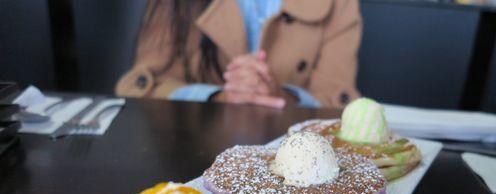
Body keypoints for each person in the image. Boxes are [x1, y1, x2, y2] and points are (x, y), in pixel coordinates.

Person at [116, 0, 362, 109]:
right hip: (192, 149)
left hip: (294, 154)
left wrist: (283, 96)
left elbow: (338, 100)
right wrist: (217, 96)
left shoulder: (339, 3)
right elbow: (141, 84)